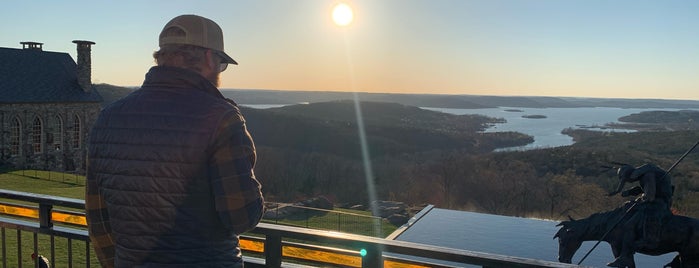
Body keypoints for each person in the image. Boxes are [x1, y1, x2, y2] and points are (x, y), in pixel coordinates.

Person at [85, 14, 264, 267]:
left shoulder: (108, 118)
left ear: (162, 58)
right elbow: (242, 217)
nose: (220, 72)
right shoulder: (222, 119)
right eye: (221, 64)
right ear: (209, 58)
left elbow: (97, 216)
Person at [606, 163, 673, 268]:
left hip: (659, 203)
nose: (629, 181)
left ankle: (627, 255)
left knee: (629, 225)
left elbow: (649, 196)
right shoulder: (645, 174)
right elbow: (645, 188)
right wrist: (629, 192)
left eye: (628, 180)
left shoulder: (647, 175)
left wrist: (638, 200)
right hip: (657, 200)